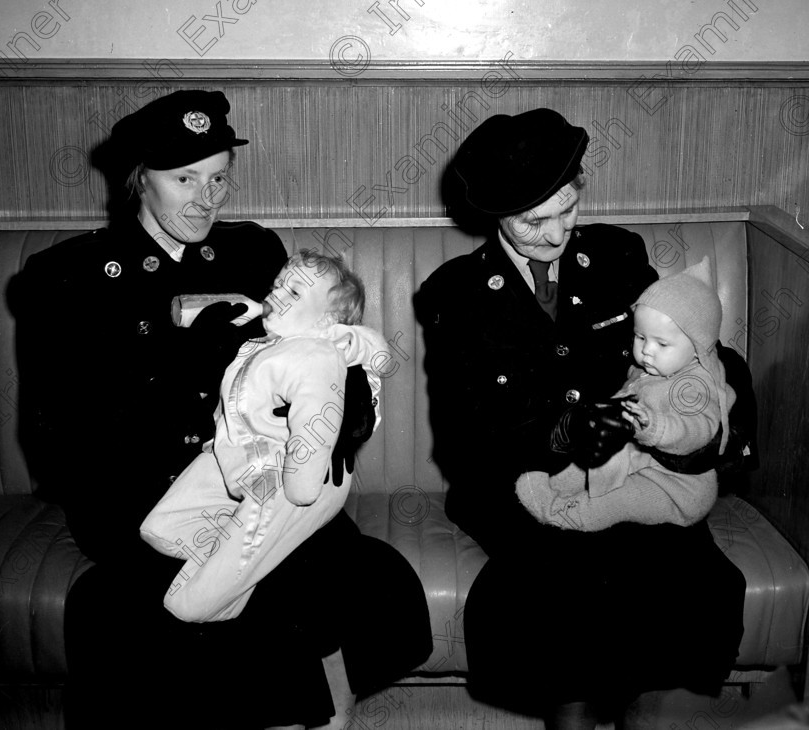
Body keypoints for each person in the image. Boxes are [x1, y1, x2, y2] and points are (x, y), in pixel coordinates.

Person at [14, 90, 431, 730]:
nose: (206, 199)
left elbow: (316, 356)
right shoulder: (69, 277)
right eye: (184, 179)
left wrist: (342, 413)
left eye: (218, 179)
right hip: (140, 494)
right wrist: (180, 362)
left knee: (343, 576)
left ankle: (324, 711)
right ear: (138, 180)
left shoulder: (255, 254)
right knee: (193, 607)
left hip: (264, 471)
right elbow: (60, 440)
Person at [415, 108, 752, 728]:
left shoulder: (619, 258)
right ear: (493, 215)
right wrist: (562, 432)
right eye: (532, 221)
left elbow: (701, 359)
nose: (554, 234)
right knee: (565, 584)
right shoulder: (454, 294)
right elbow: (464, 437)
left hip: (641, 465)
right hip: (521, 477)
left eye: (567, 210)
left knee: (692, 581)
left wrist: (695, 442)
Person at [140, 250, 390, 623]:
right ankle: (262, 554)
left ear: (327, 320)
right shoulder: (262, 344)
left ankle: (220, 591)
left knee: (187, 604)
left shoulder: (317, 353)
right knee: (159, 529)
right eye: (278, 286)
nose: (276, 295)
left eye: (294, 294)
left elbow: (313, 431)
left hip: (290, 478)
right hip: (238, 459)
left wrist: (301, 484)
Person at [517, 256, 737, 532]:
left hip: (675, 487)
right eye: (640, 337)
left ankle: (558, 515)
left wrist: (655, 426)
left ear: (698, 347)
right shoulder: (646, 370)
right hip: (637, 460)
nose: (646, 350)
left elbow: (698, 429)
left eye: (661, 343)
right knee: (576, 469)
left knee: (611, 502)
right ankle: (547, 488)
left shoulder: (696, 385)